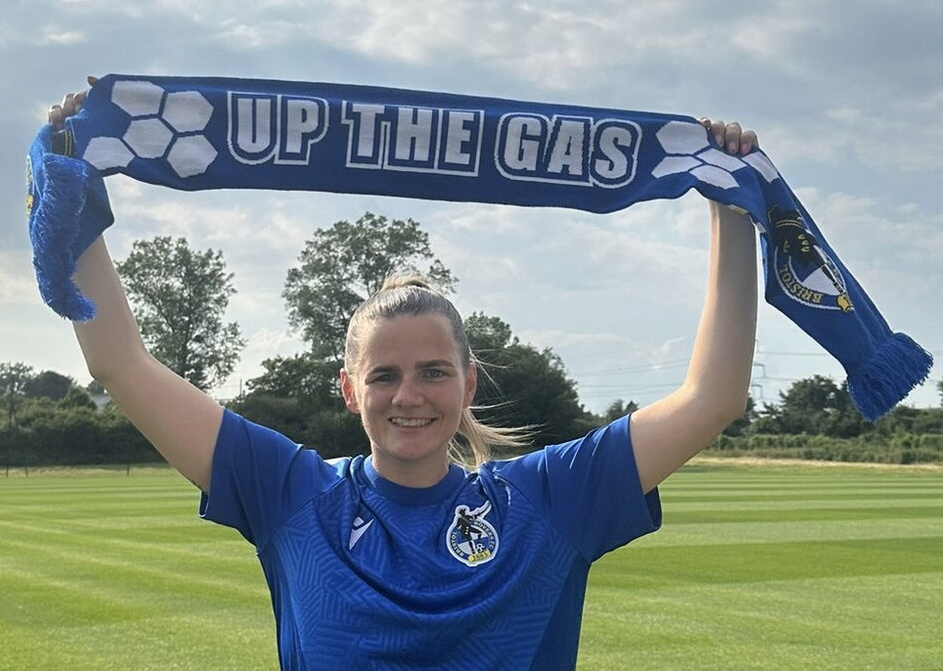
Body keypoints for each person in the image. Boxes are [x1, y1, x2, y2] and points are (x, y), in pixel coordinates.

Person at [48, 82, 759, 670]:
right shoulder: (291, 490)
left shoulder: (550, 498)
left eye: (433, 372)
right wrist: (74, 185)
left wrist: (732, 205)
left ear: (469, 384)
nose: (409, 396)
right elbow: (122, 366)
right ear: (350, 389)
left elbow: (713, 398)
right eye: (384, 374)